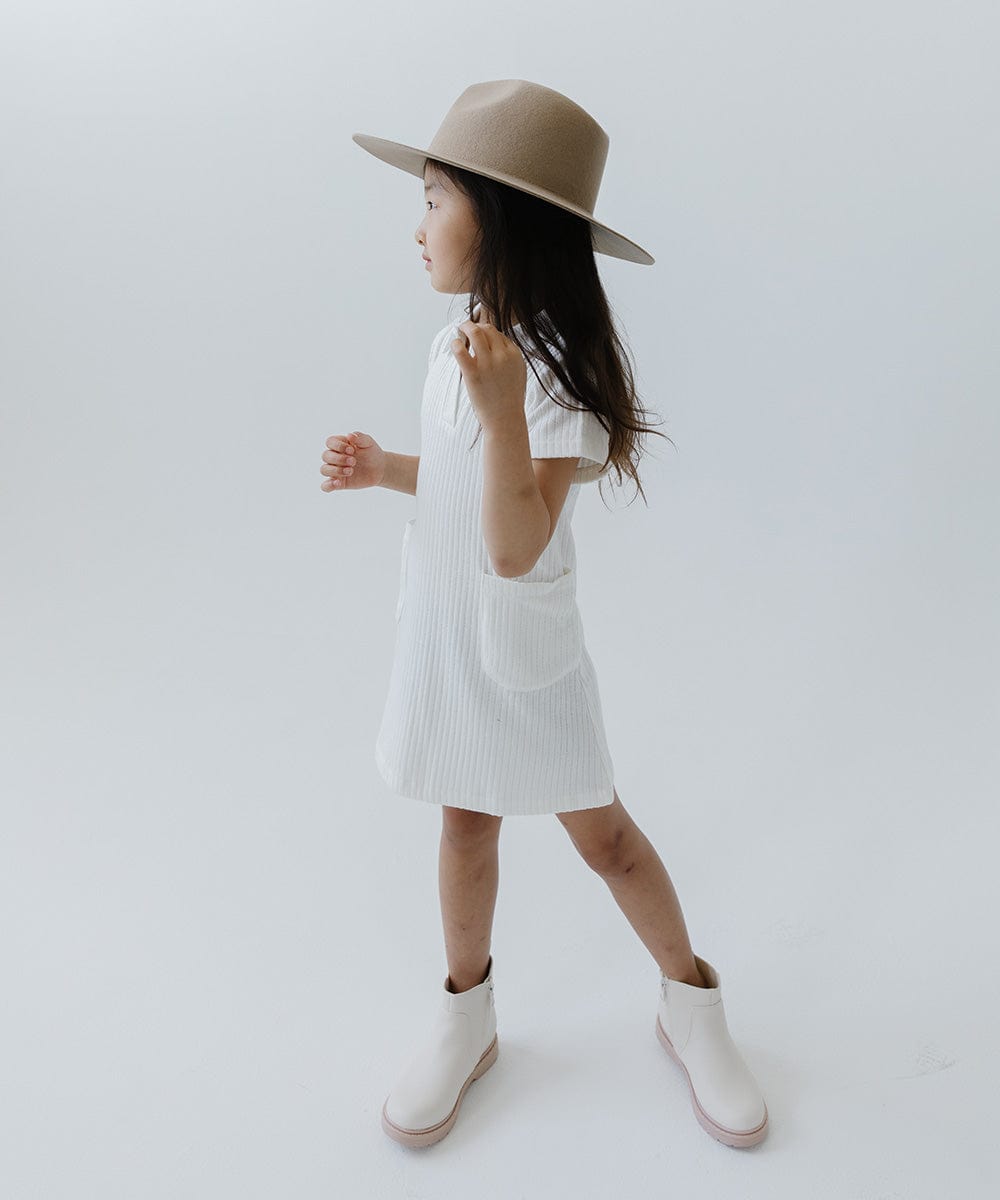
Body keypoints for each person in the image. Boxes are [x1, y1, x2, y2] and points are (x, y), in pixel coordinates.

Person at [323, 80, 769, 1150]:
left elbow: (516, 543)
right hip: (450, 638)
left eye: (434, 199)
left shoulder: (550, 372)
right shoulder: (461, 338)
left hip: (524, 651)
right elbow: (463, 482)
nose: (417, 225)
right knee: (463, 824)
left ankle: (691, 1001)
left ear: (502, 219)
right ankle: (465, 1016)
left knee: (604, 837)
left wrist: (501, 412)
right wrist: (390, 468)